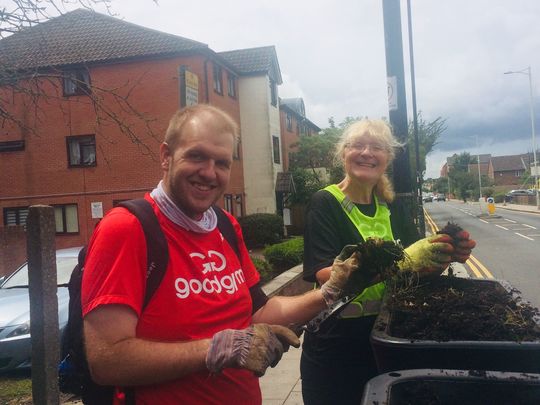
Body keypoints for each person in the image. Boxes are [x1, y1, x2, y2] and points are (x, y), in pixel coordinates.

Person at [81, 104, 372, 405]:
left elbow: (258, 312)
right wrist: (217, 349)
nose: (209, 173)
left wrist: (330, 292)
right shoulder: (127, 229)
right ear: (166, 156)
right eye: (196, 156)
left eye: (221, 162)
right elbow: (106, 360)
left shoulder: (225, 225)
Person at [300, 119, 476, 405]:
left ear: (387, 159)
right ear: (343, 153)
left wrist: (444, 254)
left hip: (388, 340)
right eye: (357, 145)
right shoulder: (325, 203)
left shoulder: (390, 206)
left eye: (377, 148)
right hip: (336, 349)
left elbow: (416, 270)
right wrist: (402, 262)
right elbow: (324, 275)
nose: (367, 153)